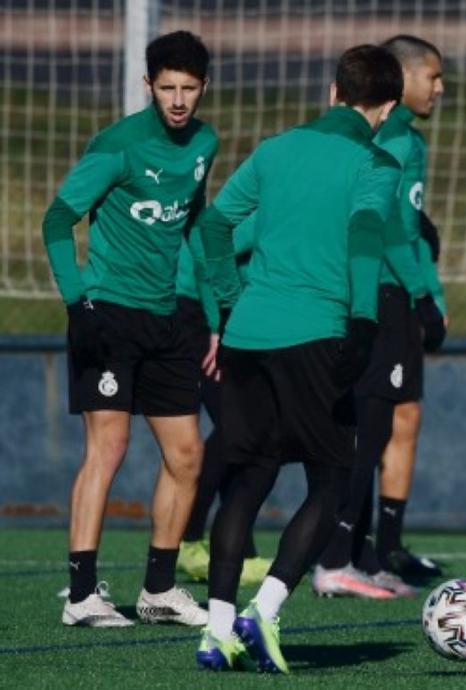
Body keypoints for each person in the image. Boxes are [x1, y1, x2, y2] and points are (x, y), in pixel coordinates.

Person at [192, 45, 403, 673]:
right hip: (316, 336)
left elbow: (212, 228)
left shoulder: (276, 148)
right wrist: (364, 322)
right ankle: (266, 609)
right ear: (386, 108)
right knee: (332, 479)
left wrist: (231, 305)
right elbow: (366, 234)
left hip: (250, 335)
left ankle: (217, 631)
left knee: (249, 478)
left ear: (333, 92)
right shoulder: (377, 161)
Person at [43, 30, 218, 628]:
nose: (177, 100)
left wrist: (214, 314)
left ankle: (159, 590)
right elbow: (57, 221)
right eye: (166, 87)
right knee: (109, 450)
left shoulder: (205, 144)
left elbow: (194, 223)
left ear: (203, 88)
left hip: (169, 321)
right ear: (148, 85)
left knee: (188, 456)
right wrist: (77, 304)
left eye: (188, 89)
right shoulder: (117, 146)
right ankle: (83, 594)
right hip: (108, 317)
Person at [312, 34, 447, 600]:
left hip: (390, 293)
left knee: (392, 421)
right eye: (432, 77)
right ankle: (341, 553)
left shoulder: (401, 139)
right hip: (385, 294)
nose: (440, 88)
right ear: (401, 79)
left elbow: (406, 220)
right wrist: (423, 295)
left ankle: (370, 549)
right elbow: (388, 228)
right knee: (368, 428)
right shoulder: (392, 140)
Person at [175, 221, 272, 587]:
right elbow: (206, 251)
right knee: (236, 427)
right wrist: (218, 326)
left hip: (224, 317)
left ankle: (236, 550)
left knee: (244, 431)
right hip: (196, 313)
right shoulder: (263, 213)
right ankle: (189, 540)